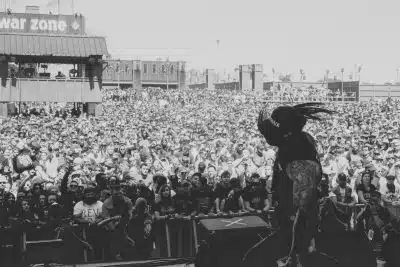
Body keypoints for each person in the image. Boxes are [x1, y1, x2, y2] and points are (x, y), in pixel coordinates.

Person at [257, 103, 333, 266]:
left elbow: (303, 204)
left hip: (297, 232)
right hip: (291, 224)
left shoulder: (296, 148)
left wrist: (293, 251)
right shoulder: (298, 141)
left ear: (285, 133)